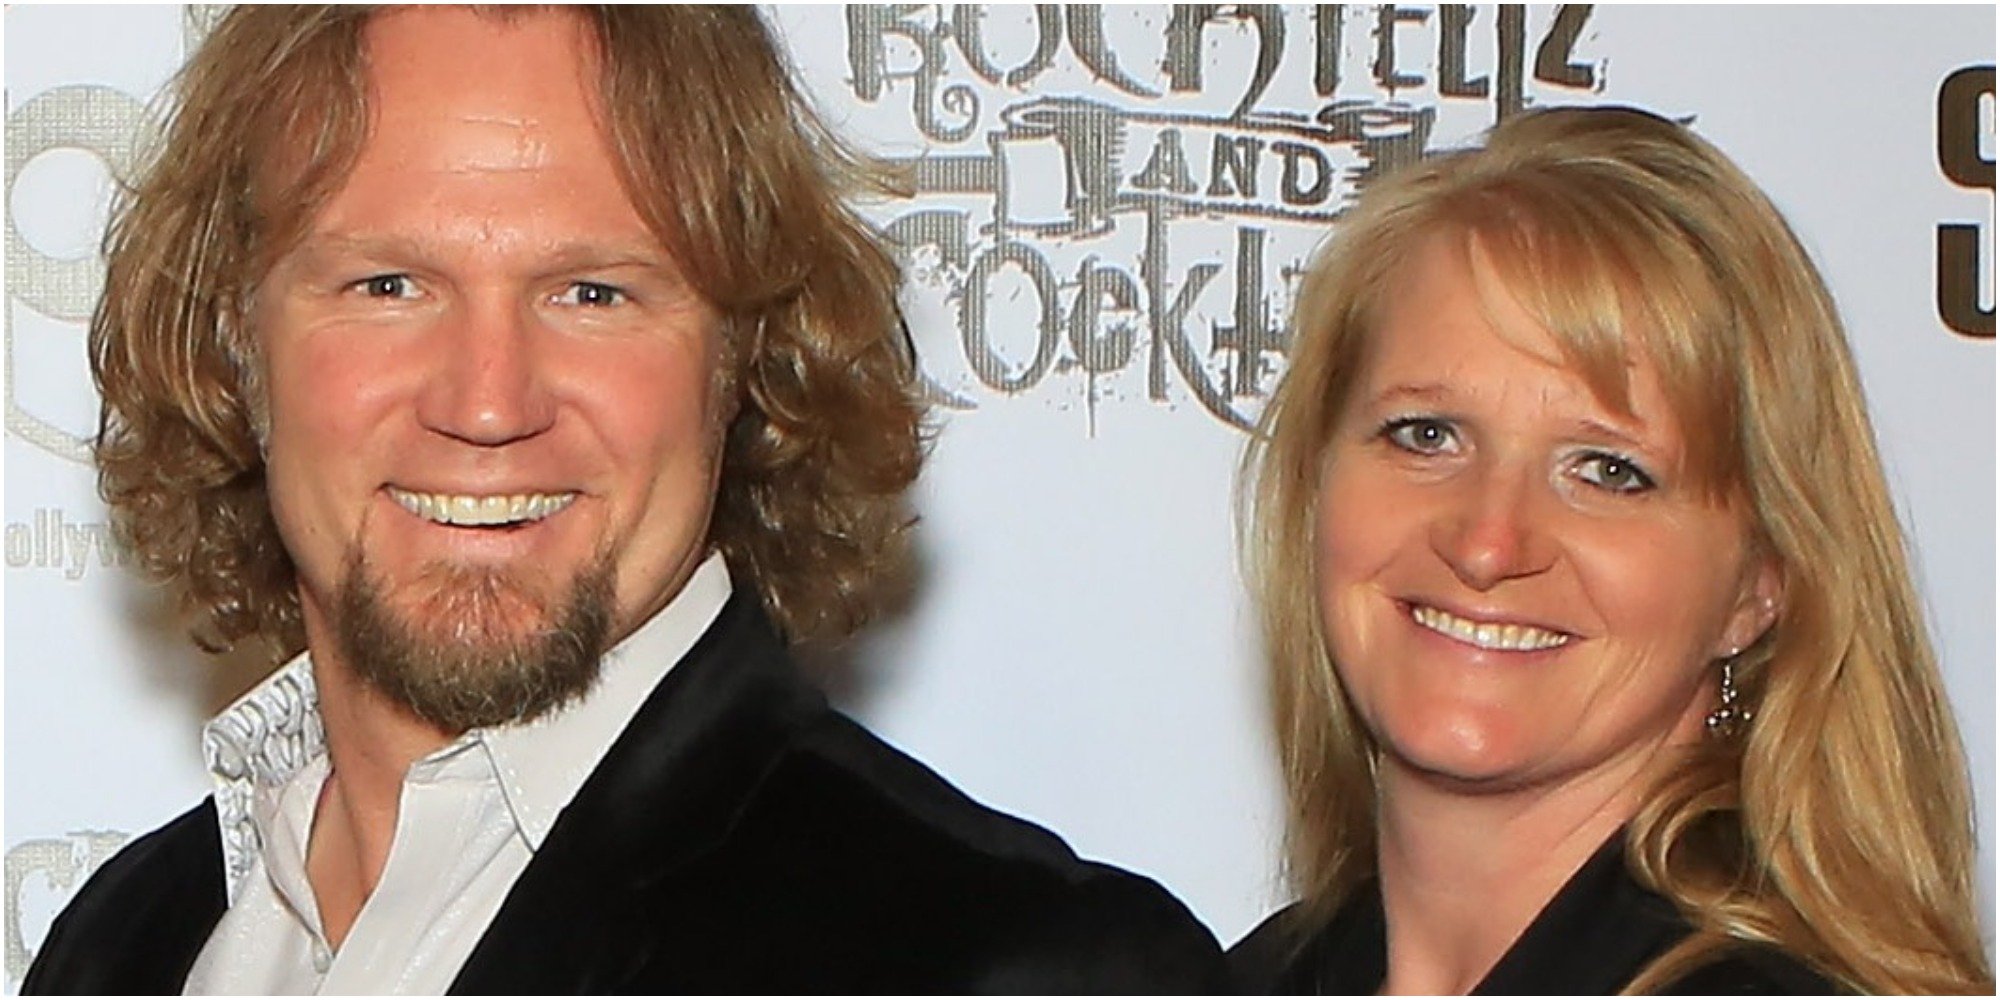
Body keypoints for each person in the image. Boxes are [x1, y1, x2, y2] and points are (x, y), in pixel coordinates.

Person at [23, 6, 1226, 993]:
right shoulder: (125, 944)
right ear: (236, 339)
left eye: (593, 293)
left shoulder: (1017, 967)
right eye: (387, 283)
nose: (488, 401)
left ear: (745, 357)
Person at [1229, 106, 1992, 994]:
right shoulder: (1270, 976)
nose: (1486, 543)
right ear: (1315, 482)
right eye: (1426, 433)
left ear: (1760, 582)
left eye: (1607, 471)